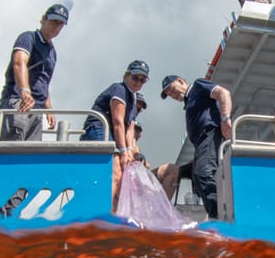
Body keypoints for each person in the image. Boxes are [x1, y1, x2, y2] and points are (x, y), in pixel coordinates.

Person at [81, 60, 150, 210]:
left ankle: (115, 211)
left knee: (124, 174)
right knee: (115, 172)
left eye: (142, 80)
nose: (138, 82)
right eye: (135, 78)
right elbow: (118, 122)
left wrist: (130, 151)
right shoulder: (119, 89)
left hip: (113, 135)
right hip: (99, 129)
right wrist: (123, 151)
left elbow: (130, 128)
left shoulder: (132, 98)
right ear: (126, 75)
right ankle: (103, 213)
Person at [161, 75, 232, 218]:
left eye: (171, 89)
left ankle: (220, 217)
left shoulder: (198, 86)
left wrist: (225, 118)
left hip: (210, 134)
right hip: (201, 143)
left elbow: (223, 93)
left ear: (180, 81)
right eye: (168, 94)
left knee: (203, 173)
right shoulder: (189, 103)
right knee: (192, 172)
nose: (171, 94)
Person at [0, 3, 70, 141]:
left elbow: (44, 82)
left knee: (30, 153)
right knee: (12, 148)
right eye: (53, 21)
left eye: (60, 23)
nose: (56, 26)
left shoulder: (52, 52)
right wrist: (25, 91)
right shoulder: (28, 38)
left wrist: (49, 109)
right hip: (19, 102)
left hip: (37, 109)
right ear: (44, 19)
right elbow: (19, 63)